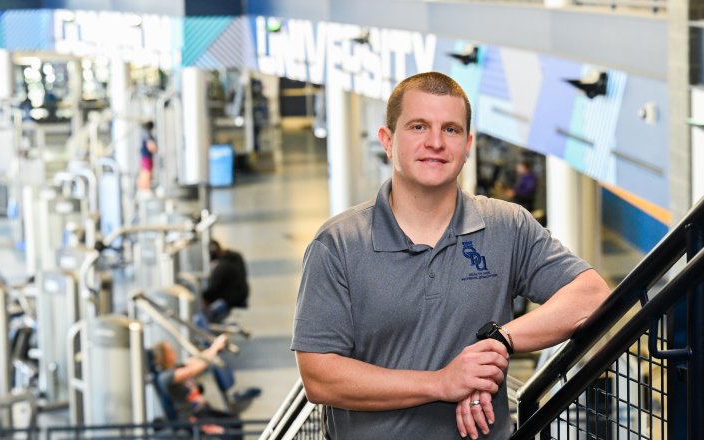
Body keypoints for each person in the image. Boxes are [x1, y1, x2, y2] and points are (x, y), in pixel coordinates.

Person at [292, 72, 611, 439]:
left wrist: (497, 343)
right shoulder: (338, 244)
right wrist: (441, 383)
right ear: (388, 141)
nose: (435, 142)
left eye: (451, 130)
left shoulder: (506, 226)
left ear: (467, 144)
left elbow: (591, 296)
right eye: (418, 126)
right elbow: (319, 377)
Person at [151, 336, 241, 438]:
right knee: (229, 434)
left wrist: (215, 346)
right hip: (191, 419)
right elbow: (193, 370)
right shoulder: (165, 377)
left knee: (235, 421)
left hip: (202, 411)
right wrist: (215, 348)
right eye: (170, 351)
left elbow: (199, 358)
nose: (174, 352)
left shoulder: (176, 366)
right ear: (165, 356)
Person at [202, 240, 249, 322]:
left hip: (230, 300)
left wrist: (204, 297)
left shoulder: (222, 267)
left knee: (207, 316)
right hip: (242, 294)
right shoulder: (236, 257)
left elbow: (213, 288)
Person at [137, 121, 158, 191]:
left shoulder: (143, 134)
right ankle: (145, 189)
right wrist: (155, 148)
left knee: (144, 173)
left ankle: (144, 188)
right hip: (147, 158)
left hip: (145, 157)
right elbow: (152, 147)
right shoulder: (147, 135)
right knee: (146, 174)